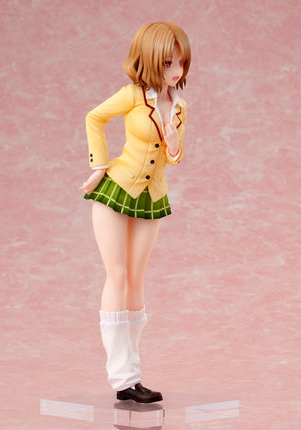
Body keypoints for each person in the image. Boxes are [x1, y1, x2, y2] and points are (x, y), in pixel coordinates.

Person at [80, 22, 191, 403]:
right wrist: (98, 165)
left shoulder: (180, 107)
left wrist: (173, 142)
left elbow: (173, 158)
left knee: (136, 278)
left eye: (181, 63)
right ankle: (122, 378)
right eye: (167, 62)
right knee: (117, 274)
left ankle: (133, 376)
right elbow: (94, 117)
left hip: (152, 196)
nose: (175, 70)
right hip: (116, 189)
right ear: (149, 60)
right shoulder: (132, 96)